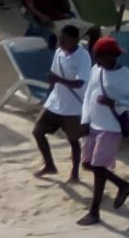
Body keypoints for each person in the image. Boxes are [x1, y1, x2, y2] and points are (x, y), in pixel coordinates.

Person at [79, 37, 129, 225]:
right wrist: (85, 120)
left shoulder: (126, 75)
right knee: (88, 164)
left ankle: (94, 212)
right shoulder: (96, 70)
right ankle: (123, 185)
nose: (95, 60)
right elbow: (89, 94)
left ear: (111, 56)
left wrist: (115, 103)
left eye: (98, 57)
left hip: (111, 128)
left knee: (99, 168)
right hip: (94, 126)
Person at [34, 17, 91, 182]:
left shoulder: (83, 57)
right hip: (55, 102)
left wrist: (58, 80)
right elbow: (54, 75)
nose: (61, 42)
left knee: (73, 140)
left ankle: (74, 173)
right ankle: (49, 165)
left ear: (75, 40)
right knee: (37, 131)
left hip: (73, 106)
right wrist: (51, 88)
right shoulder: (59, 53)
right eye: (60, 38)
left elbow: (80, 83)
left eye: (64, 39)